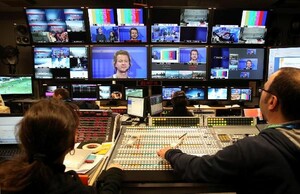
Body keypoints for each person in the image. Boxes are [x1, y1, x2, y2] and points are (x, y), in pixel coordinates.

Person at [157, 67, 300, 193]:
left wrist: (171, 153)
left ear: (272, 102)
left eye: (264, 89)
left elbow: (201, 168)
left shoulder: (253, 149)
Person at [0, 99, 123, 193]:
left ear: (24, 138)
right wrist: (114, 173)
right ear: (71, 142)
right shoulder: (69, 188)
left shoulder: (6, 177)